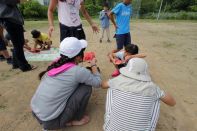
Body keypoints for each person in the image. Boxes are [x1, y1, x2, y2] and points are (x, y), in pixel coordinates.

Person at [31, 37, 102, 130]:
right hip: (52, 121)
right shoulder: (78, 72)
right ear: (78, 57)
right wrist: (93, 64)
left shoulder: (56, 63)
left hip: (36, 112)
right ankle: (77, 119)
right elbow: (98, 83)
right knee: (86, 87)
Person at [102, 58, 176, 131]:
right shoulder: (152, 87)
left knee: (111, 87)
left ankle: (111, 122)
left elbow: (103, 85)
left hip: (111, 129)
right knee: (156, 97)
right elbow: (172, 103)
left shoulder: (117, 80)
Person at [0, 0, 36, 71]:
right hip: (11, 20)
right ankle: (24, 66)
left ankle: (16, 64)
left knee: (17, 44)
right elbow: (12, 1)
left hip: (9, 20)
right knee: (18, 44)